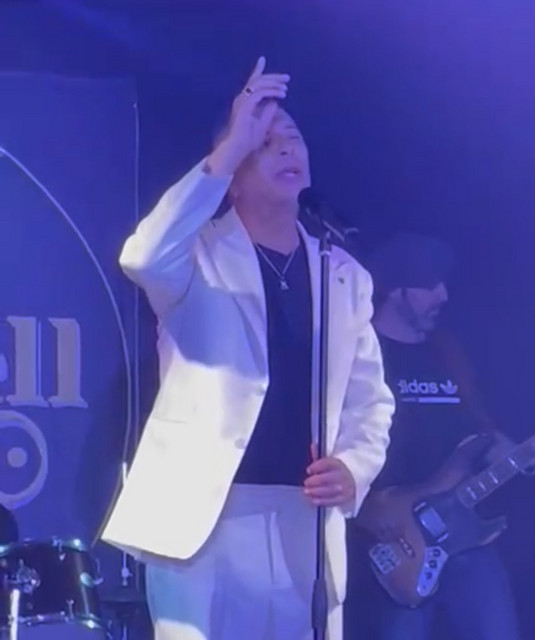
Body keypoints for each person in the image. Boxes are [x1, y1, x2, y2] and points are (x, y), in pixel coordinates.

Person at [101, 57, 394, 640]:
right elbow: (140, 256)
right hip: (204, 514)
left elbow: (370, 402)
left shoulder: (342, 274)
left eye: (293, 137)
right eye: (263, 143)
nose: (285, 147)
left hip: (303, 516)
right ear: (232, 172)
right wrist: (231, 145)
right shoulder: (195, 255)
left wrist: (354, 468)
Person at [346, 232, 520, 640]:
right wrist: (369, 507)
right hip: (394, 542)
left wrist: (502, 449)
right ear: (395, 290)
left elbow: (477, 428)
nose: (442, 294)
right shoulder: (361, 353)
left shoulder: (450, 352)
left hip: (467, 535)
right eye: (428, 285)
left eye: (443, 282)